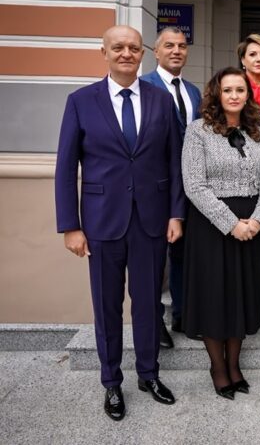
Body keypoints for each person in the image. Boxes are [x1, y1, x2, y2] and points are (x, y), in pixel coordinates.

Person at [55, 25, 184, 421]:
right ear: (105, 53)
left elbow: (174, 162)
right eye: (118, 47)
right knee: (107, 306)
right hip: (101, 223)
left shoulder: (162, 100)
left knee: (148, 304)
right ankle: (111, 381)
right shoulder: (81, 101)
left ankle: (149, 374)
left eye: (133, 47)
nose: (126, 53)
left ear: (143, 53)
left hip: (151, 221)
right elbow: (66, 168)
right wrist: (71, 225)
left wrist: (176, 213)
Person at [181, 67, 260, 401]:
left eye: (240, 90)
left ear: (248, 95)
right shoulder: (198, 131)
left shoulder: (256, 133)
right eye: (228, 90)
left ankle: (235, 365)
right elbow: (194, 185)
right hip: (212, 227)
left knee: (241, 297)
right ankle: (218, 368)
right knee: (214, 297)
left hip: (250, 228)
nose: (234, 95)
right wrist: (231, 223)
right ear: (217, 94)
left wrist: (257, 220)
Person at [141, 27, 202, 349]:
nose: (176, 51)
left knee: (183, 254)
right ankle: (154, 320)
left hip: (190, 185)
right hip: (155, 186)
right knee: (153, 258)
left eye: (181, 45)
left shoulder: (193, 92)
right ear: (156, 51)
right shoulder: (144, 87)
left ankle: (181, 313)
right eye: (169, 45)